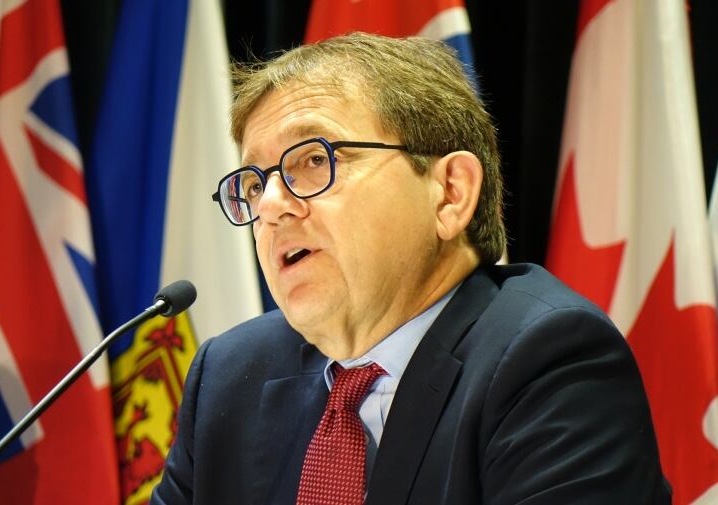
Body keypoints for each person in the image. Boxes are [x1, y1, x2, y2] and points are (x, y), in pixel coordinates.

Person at [152, 32, 670, 504]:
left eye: (313, 160)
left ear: (450, 193)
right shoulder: (229, 377)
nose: (270, 206)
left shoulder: (548, 361)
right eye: (253, 183)